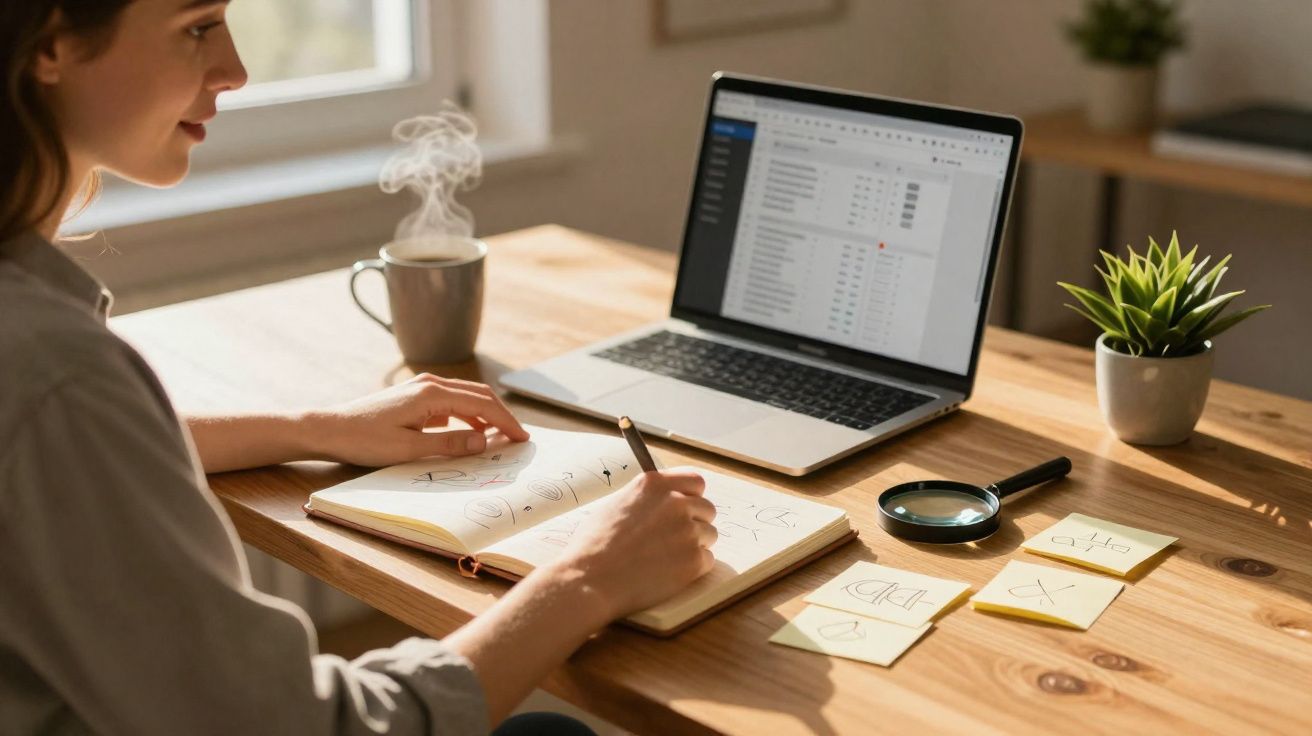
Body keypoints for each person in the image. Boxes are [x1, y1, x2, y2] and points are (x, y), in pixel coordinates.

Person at [0, 1, 717, 734]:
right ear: (52, 44)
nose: (235, 71)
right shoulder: (58, 370)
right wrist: (586, 579)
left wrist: (316, 427)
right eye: (197, 26)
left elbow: (67, 452)